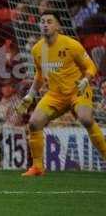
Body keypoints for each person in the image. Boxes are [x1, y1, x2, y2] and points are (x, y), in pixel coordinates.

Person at [16, 10, 106, 176]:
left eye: (49, 21)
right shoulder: (37, 50)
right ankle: (37, 167)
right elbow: (39, 75)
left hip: (78, 90)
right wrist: (30, 95)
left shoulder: (71, 45)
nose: (45, 24)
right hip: (55, 95)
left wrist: (86, 80)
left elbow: (91, 66)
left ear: (58, 26)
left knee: (86, 119)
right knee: (34, 123)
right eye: (42, 21)